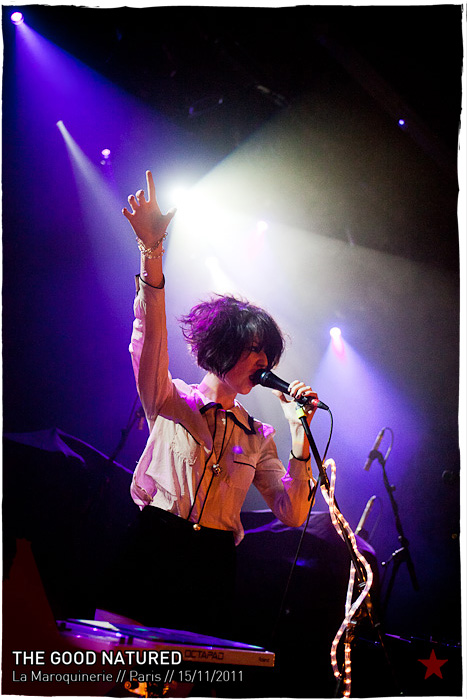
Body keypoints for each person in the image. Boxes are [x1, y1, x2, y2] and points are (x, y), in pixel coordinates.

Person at [96, 171, 320, 639]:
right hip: (156, 542)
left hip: (212, 563)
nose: (263, 362)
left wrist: (300, 437)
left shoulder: (258, 436)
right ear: (222, 347)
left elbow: (293, 513)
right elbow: (149, 338)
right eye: (254, 349)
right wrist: (152, 253)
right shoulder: (170, 398)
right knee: (118, 664)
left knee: (195, 673)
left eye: (268, 354)